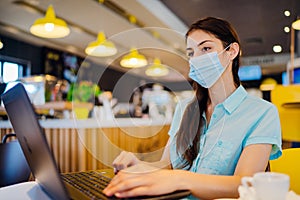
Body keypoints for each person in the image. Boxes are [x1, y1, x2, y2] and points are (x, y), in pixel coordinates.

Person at [103, 17, 282, 199]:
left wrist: (180, 179)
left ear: (232, 51)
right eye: (191, 53)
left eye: (206, 49)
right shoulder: (184, 109)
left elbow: (245, 183)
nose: (196, 59)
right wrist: (139, 165)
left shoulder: (262, 113)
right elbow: (168, 166)